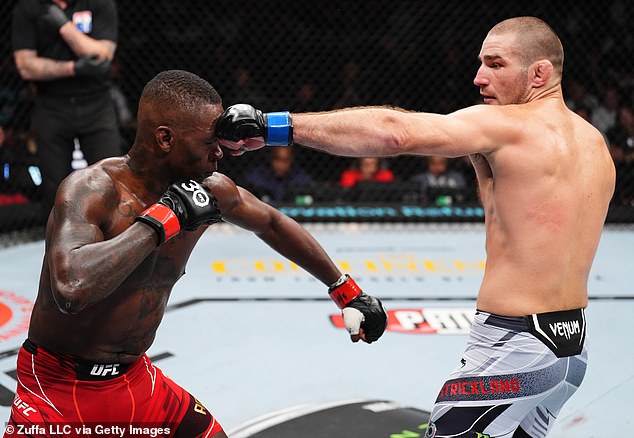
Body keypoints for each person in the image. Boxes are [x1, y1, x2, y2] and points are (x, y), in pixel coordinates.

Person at [215, 16, 616, 437]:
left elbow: (395, 134)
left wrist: (275, 125)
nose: (479, 78)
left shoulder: (509, 127)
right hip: (571, 349)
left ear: (540, 73)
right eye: (481, 63)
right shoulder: (595, 144)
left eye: (495, 64)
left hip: (515, 346)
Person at [3, 70, 387, 437]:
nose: (219, 152)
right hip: (57, 389)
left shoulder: (208, 189)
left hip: (135, 378)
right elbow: (71, 288)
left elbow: (270, 223)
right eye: (208, 142)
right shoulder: (91, 190)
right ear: (165, 139)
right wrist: (160, 222)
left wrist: (344, 289)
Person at [11, 0, 121, 221]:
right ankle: (60, 247)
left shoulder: (99, 3)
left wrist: (63, 26)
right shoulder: (29, 7)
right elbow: (25, 66)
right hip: (52, 105)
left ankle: (115, 241)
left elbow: (102, 56)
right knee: (55, 185)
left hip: (96, 104)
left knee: (111, 178)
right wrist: (73, 69)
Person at [242, 145, 313, 203]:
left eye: (285, 160)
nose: (280, 165)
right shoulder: (256, 177)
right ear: (270, 158)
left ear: (291, 160)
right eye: (277, 159)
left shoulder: (301, 178)